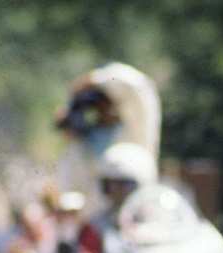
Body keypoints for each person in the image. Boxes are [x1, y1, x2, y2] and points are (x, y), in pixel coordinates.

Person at [56, 62, 161, 212]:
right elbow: (71, 194)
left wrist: (96, 79)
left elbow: (139, 87)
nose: (102, 110)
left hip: (137, 216)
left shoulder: (135, 133)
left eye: (105, 103)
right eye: (95, 106)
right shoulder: (82, 147)